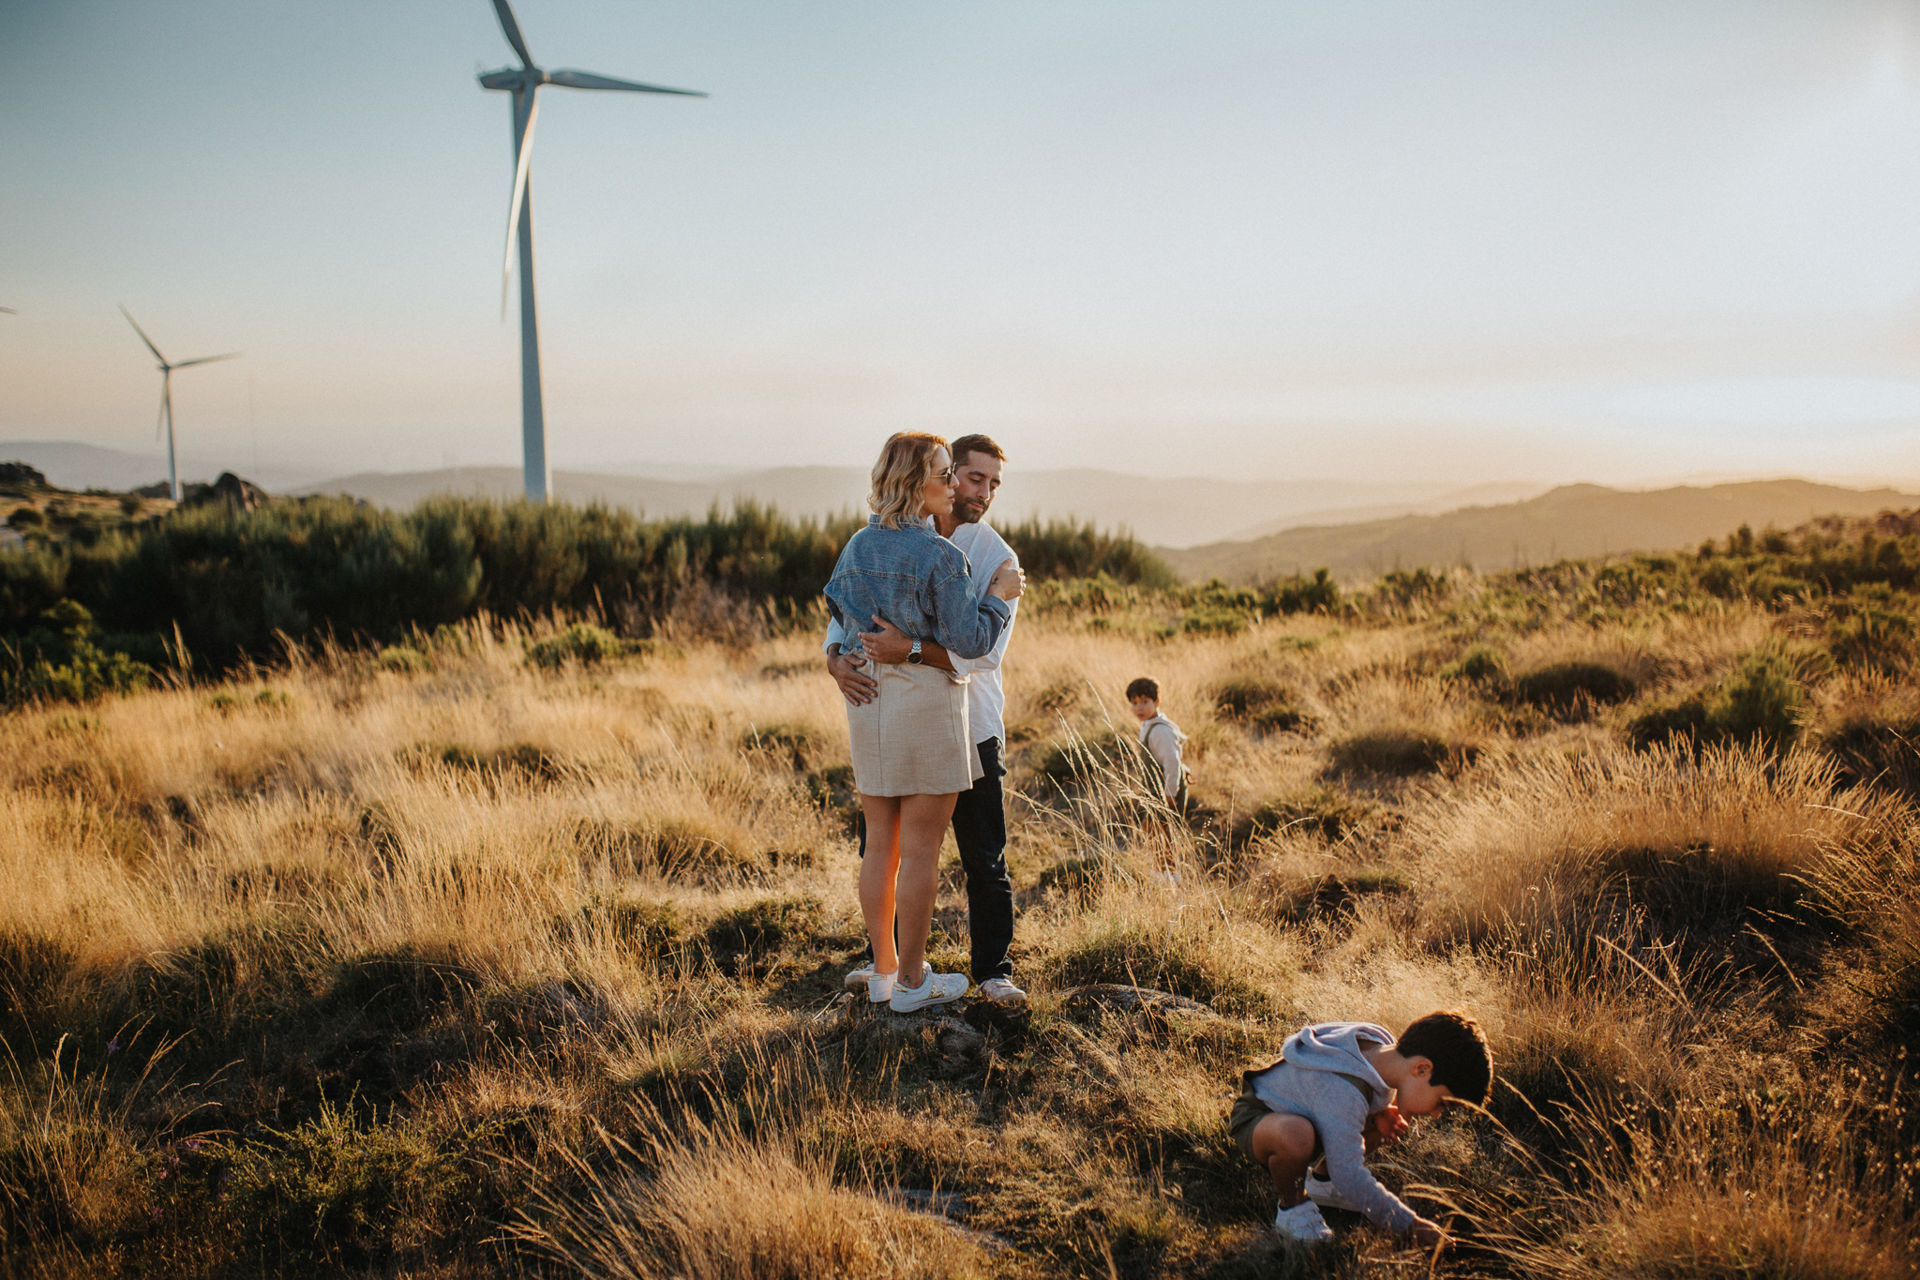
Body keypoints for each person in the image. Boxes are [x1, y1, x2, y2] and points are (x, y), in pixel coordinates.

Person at [823, 433, 1026, 1014]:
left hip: (893, 715)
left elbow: (842, 610)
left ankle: (925, 973)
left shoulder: (862, 543)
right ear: (934, 480)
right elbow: (971, 641)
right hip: (931, 713)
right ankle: (908, 980)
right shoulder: (944, 557)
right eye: (960, 476)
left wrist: (890, 649)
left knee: (911, 851)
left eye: (991, 483)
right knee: (916, 854)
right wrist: (995, 597)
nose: (974, 491)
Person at [1228, 1011, 1492, 1247]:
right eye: (1442, 1103)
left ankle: (1323, 1183)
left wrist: (1379, 1112)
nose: (1436, 1114)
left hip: (1311, 1115)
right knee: (1296, 1135)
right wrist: (1411, 1225)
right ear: (1422, 1068)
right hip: (1260, 1118)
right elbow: (1350, 1174)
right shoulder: (1344, 1091)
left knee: (1384, 1116)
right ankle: (1292, 1207)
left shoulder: (1380, 1049)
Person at [1126, 676, 1188, 809]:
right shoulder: (1148, 725)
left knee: (1163, 828)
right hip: (1156, 790)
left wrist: (1170, 794)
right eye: (1134, 703)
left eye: (1144, 701)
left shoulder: (1160, 730)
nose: (1139, 708)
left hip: (1168, 791)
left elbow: (1172, 760)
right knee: (1150, 828)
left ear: (1157, 702)